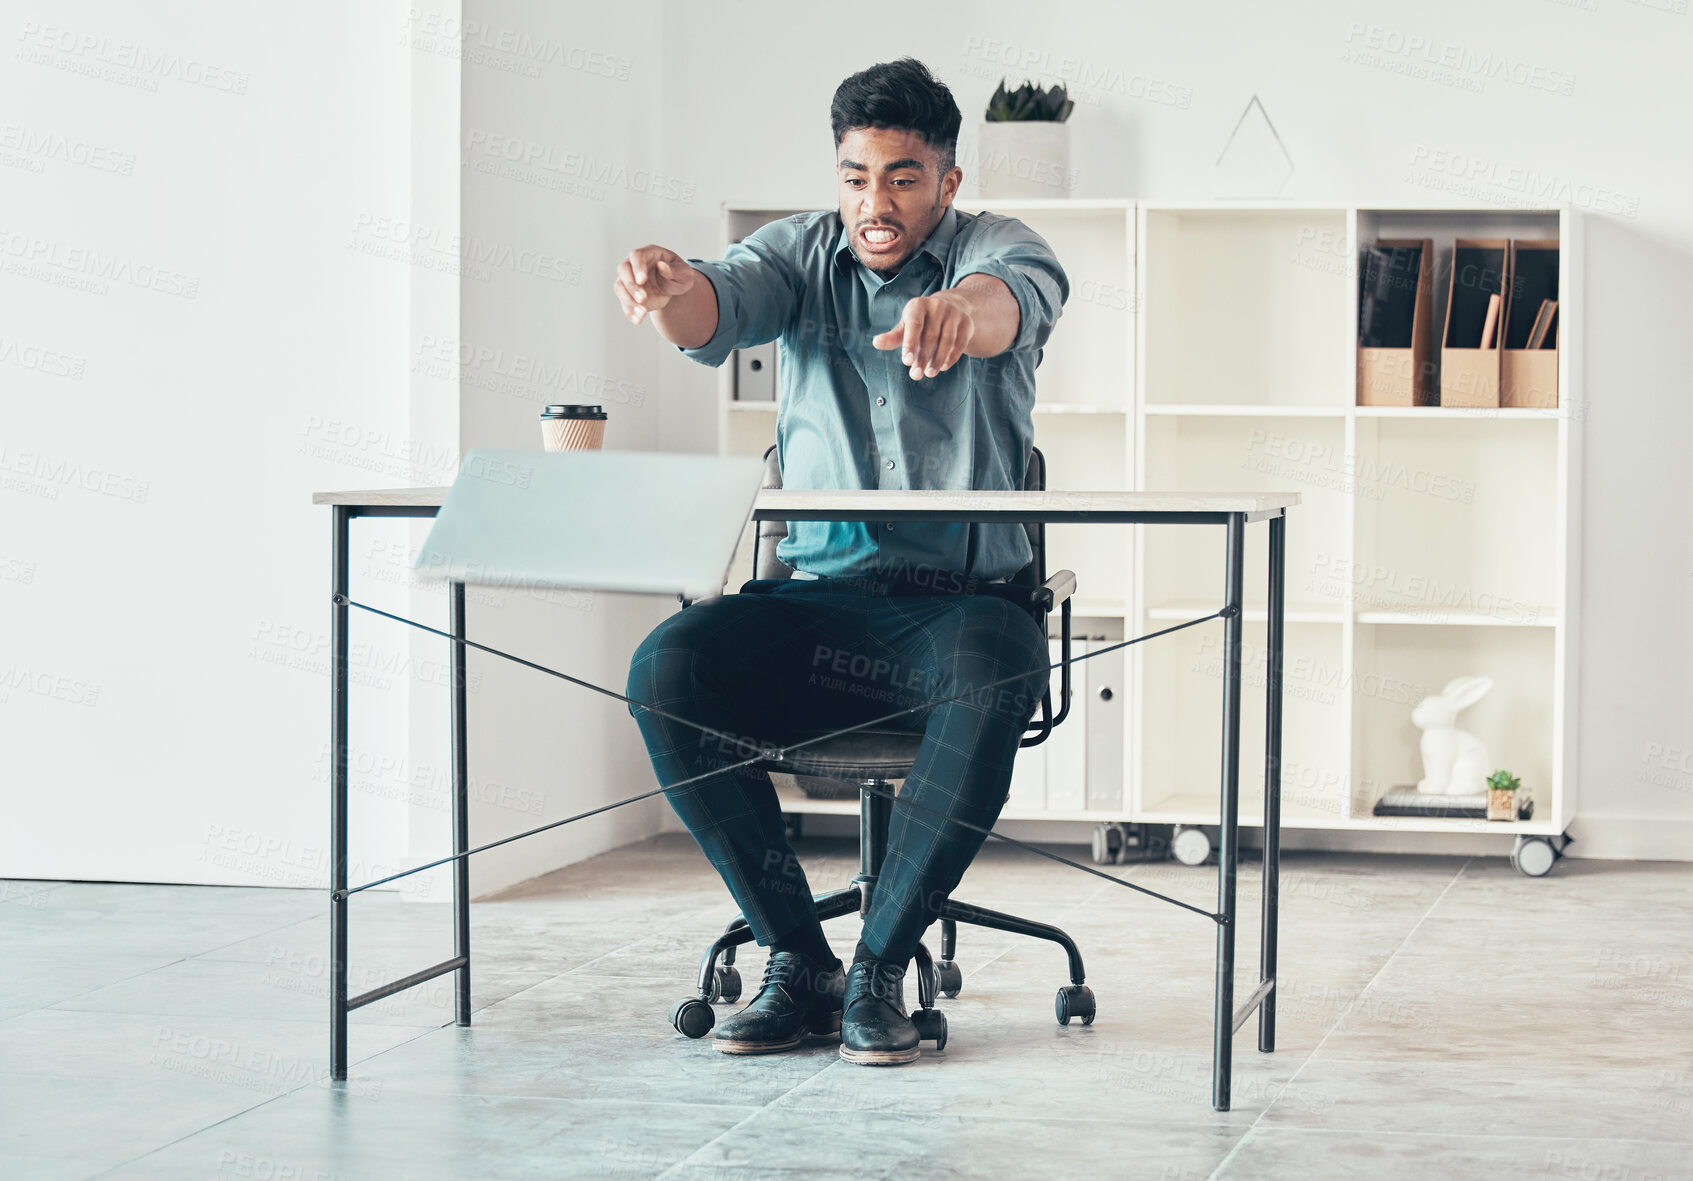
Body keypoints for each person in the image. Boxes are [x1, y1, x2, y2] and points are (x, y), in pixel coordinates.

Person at [617, 57, 1068, 1066]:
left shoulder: (994, 248)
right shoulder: (797, 254)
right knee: (668, 667)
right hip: (815, 605)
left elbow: (1012, 298)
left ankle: (878, 967)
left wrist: (964, 312)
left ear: (946, 183)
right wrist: (673, 286)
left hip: (959, 610)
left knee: (994, 667)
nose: (875, 202)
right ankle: (800, 958)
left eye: (902, 178)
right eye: (856, 176)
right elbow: (715, 308)